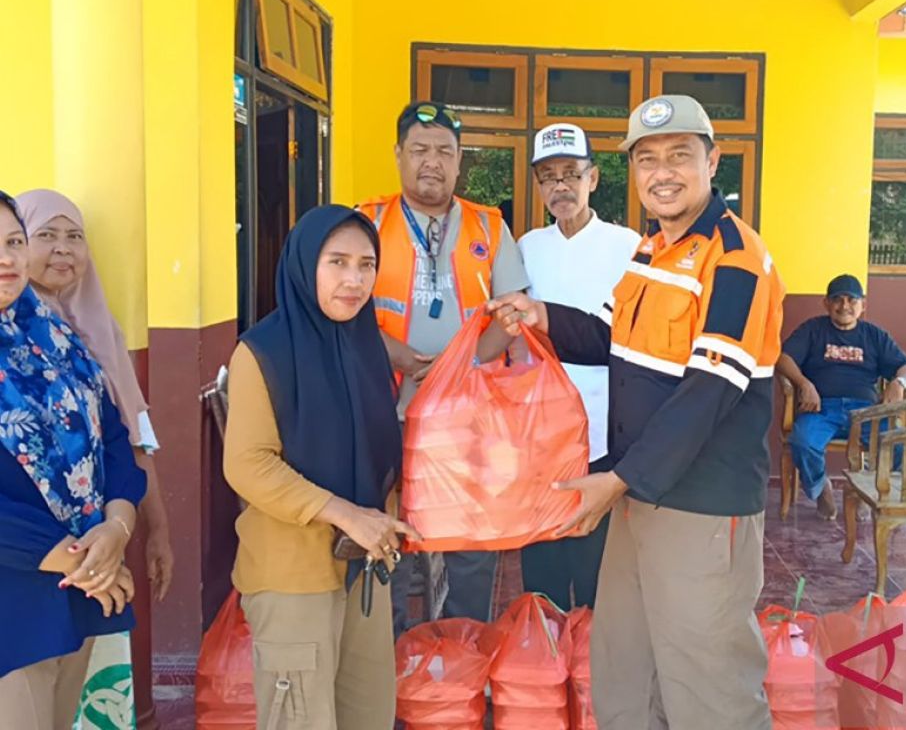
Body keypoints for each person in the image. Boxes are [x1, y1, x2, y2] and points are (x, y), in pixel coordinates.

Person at [489, 95, 784, 729]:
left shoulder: (736, 259)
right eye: (647, 159)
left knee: (709, 687)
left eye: (680, 155)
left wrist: (616, 481)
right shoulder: (650, 250)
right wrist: (541, 317)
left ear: (714, 160)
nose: (663, 172)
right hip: (638, 497)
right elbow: (606, 334)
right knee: (626, 666)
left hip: (699, 506)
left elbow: (709, 392)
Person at [223, 205, 419, 730]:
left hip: (364, 570)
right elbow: (247, 463)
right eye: (337, 262)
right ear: (305, 264)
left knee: (368, 713)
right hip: (294, 575)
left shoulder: (365, 345)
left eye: (366, 264)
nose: (354, 280)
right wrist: (346, 513)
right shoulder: (263, 351)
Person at [359, 100, 529, 633]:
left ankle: (459, 664)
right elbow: (341, 311)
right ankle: (383, 672)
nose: (431, 162)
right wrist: (399, 356)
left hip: (468, 420)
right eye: (420, 150)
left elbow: (514, 314)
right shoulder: (366, 222)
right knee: (386, 541)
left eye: (444, 152)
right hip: (382, 415)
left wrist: (460, 364)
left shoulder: (490, 226)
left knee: (469, 548)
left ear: (460, 163)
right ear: (398, 155)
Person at [15, 188, 174, 728]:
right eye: (43, 236)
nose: (62, 250)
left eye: (75, 236)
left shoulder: (81, 340)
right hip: (29, 578)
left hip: (94, 564)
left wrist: (133, 529)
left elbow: (126, 442)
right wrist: (91, 557)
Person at [516, 122, 640, 610]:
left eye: (571, 173)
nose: (561, 186)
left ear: (594, 178)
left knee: (596, 570)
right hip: (540, 431)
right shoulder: (527, 247)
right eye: (549, 177)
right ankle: (540, 669)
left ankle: (592, 674)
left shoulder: (627, 245)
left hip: (604, 428)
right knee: (542, 571)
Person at [775, 273, 906, 519]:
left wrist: (899, 382)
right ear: (826, 303)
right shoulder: (813, 329)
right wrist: (804, 383)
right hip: (821, 410)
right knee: (802, 441)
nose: (844, 306)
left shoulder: (874, 335)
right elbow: (783, 357)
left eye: (852, 300)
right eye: (837, 300)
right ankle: (821, 490)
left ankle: (869, 491)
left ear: (863, 304)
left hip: (865, 412)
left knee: (903, 445)